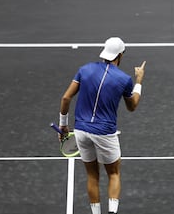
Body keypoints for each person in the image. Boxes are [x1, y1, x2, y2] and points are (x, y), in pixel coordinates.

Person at [57, 37, 146, 214]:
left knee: (92, 175)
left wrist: (63, 125)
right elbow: (132, 106)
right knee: (113, 173)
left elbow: (66, 98)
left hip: (81, 130)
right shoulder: (124, 79)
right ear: (120, 55)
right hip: (105, 132)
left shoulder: (85, 70)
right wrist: (139, 81)